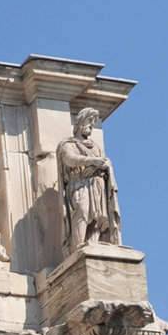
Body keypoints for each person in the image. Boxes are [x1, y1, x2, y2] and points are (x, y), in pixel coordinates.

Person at [57, 106, 121, 251]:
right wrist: (91, 161)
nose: (91, 127)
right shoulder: (68, 144)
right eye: (89, 123)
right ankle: (78, 246)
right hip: (79, 183)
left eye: (93, 124)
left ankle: (93, 244)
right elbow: (70, 159)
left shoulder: (96, 147)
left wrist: (105, 164)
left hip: (96, 184)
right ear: (80, 124)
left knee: (98, 216)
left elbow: (104, 161)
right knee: (82, 209)